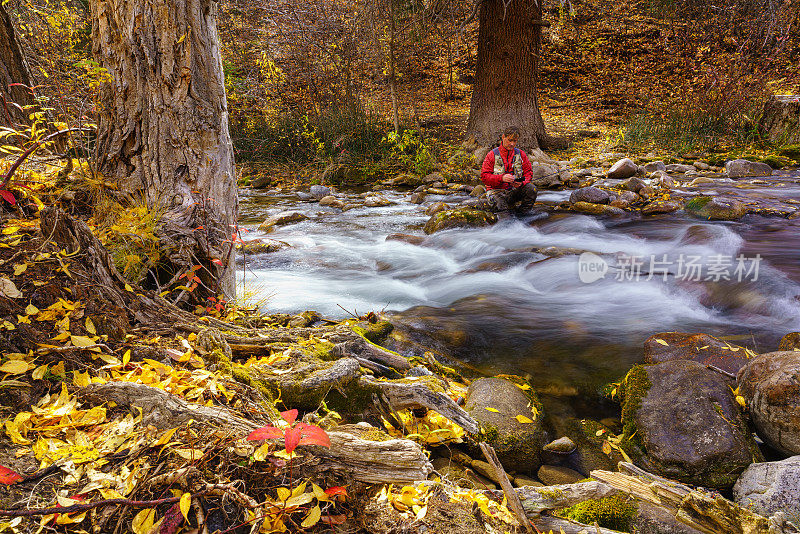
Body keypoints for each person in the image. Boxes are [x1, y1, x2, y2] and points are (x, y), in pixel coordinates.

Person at [480, 126, 538, 218]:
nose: (512, 144)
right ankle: (508, 224)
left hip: (513, 191)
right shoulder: (492, 155)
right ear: (503, 137)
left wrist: (522, 182)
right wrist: (501, 178)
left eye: (514, 141)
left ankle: (524, 217)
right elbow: (484, 177)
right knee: (504, 212)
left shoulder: (521, 154)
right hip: (496, 192)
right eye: (509, 140)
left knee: (531, 188)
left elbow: (529, 173)